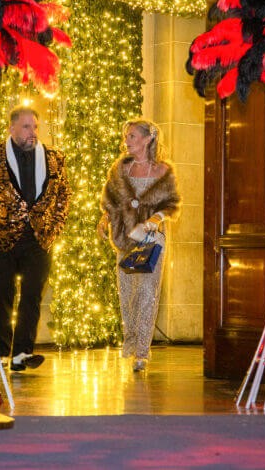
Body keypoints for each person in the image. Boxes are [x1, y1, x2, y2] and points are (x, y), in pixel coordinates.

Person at [0, 106, 71, 371]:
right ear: (12, 128)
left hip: (39, 238)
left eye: (36, 126)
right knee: (2, 295)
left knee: (32, 296)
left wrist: (56, 225)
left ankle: (22, 353)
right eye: (27, 127)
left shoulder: (54, 157)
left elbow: (64, 195)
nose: (33, 132)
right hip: (3, 236)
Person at [98, 119, 181, 372]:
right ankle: (131, 340)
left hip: (152, 240)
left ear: (147, 139)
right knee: (127, 295)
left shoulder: (164, 171)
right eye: (126, 136)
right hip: (126, 237)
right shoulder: (120, 169)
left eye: (132, 136)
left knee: (147, 293)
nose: (127, 140)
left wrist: (156, 218)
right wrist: (104, 218)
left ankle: (142, 353)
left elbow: (172, 204)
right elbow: (110, 200)